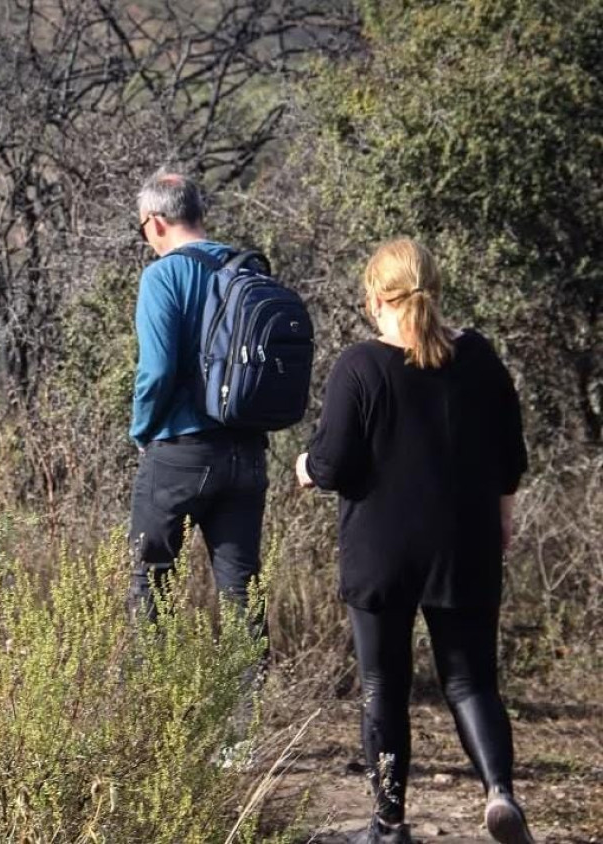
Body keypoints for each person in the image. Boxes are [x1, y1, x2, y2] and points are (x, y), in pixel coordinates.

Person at [295, 238, 532, 844]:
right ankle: (500, 793)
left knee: (383, 686)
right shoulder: (479, 359)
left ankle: (389, 824)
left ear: (376, 297)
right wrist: (502, 518)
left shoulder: (360, 367)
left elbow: (332, 464)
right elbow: (511, 455)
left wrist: (303, 466)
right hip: (465, 545)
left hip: (382, 549)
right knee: (473, 681)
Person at [128, 168, 269, 622]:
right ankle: (252, 694)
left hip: (180, 450)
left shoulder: (162, 277)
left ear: (155, 221)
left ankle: (154, 692)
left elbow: (158, 368)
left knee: (151, 582)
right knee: (243, 589)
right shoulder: (249, 269)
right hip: (246, 449)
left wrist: (142, 428)